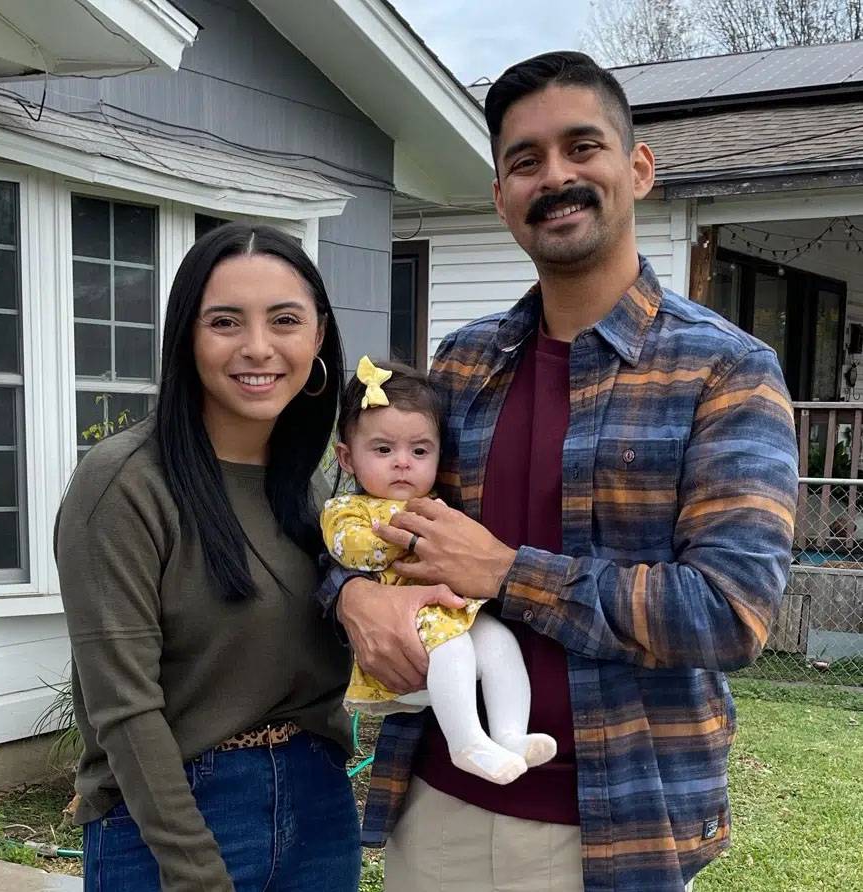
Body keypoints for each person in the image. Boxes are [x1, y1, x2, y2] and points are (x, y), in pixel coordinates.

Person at [319, 51, 799, 892]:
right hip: (437, 803)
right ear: (502, 194)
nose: (557, 177)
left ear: (638, 168)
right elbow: (365, 521)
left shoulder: (724, 369)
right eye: (525, 160)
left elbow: (732, 612)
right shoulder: (461, 366)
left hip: (619, 825)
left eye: (583, 147)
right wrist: (352, 594)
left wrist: (507, 573)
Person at [55, 223, 361, 892]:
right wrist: (195, 871)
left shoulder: (319, 486)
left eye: (285, 320)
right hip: (171, 818)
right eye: (225, 321)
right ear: (187, 338)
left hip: (318, 806)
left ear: (317, 338)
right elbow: (125, 710)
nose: (257, 347)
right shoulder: (125, 484)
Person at [321, 356, 556, 784]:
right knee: (455, 649)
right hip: (409, 621)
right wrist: (400, 537)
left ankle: (510, 734)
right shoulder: (346, 509)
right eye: (383, 449)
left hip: (454, 611)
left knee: (501, 643)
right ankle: (465, 740)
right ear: (347, 458)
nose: (402, 462)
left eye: (419, 450)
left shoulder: (437, 506)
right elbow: (350, 550)